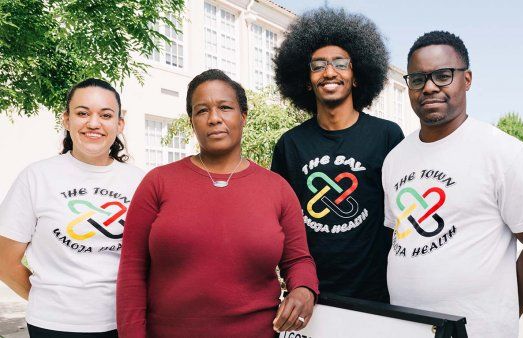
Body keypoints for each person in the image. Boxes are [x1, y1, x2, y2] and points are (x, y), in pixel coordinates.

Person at [116, 69, 318, 337]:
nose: (214, 118)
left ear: (243, 116)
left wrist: (304, 288)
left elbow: (298, 260)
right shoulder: (157, 183)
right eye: (202, 111)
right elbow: (132, 268)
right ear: (191, 121)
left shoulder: (277, 189)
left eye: (225, 107)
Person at [382, 31, 523, 337]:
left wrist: (501, 316)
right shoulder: (395, 159)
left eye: (443, 75)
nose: (430, 87)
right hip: (406, 328)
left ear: (468, 79)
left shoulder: (503, 152)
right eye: (418, 79)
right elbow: (400, 237)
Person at [271, 7, 404, 303]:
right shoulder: (289, 145)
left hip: (378, 296)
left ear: (357, 76)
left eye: (341, 64)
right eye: (318, 66)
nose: (329, 72)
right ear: (306, 80)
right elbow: (281, 224)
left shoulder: (388, 136)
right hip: (311, 296)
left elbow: (402, 219)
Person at [0, 79, 144, 337]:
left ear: (119, 124)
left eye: (106, 115)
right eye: (82, 113)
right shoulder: (36, 177)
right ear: (66, 120)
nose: (93, 123)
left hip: (122, 323)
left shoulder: (140, 182)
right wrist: (49, 299)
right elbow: (5, 262)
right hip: (52, 325)